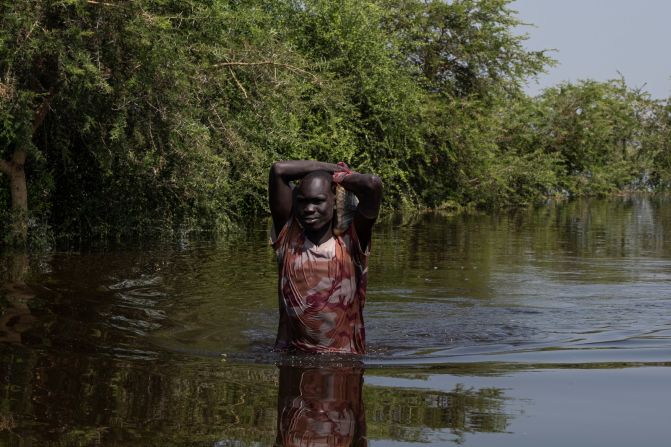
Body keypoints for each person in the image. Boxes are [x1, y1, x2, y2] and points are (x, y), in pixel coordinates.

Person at [268, 160, 382, 354]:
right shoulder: (288, 237)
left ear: (334, 202)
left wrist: (340, 176)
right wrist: (330, 168)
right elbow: (279, 170)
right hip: (293, 354)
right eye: (303, 201)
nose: (309, 208)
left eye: (318, 201)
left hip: (345, 358)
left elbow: (372, 184)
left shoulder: (351, 242)